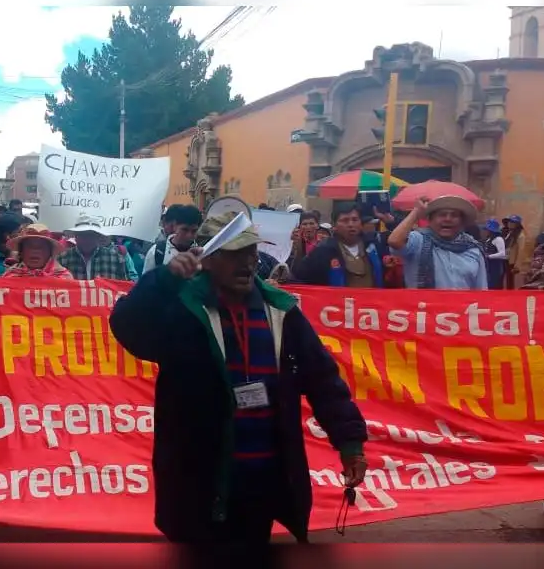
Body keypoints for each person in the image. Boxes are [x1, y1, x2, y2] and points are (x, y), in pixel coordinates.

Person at [108, 212, 367, 544]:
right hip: (199, 481)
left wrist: (350, 444)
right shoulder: (183, 309)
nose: (249, 262)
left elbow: (324, 381)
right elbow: (128, 327)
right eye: (235, 254)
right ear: (209, 258)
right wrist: (164, 280)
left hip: (264, 480)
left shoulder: (281, 311)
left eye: (252, 252)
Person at [387, 196, 487, 290]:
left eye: (454, 215)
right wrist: (416, 212)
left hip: (464, 308)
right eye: (442, 215)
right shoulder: (418, 240)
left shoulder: (473, 249)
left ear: (462, 222)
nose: (448, 219)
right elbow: (394, 241)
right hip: (423, 307)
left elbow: (481, 290)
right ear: (430, 220)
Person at [293, 205, 386, 288]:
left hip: (371, 305)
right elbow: (300, 275)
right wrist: (298, 247)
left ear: (361, 223)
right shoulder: (324, 250)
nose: (351, 224)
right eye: (345, 220)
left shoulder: (374, 246)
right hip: (338, 305)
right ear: (334, 226)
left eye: (355, 220)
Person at [57, 214, 132, 281]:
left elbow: (125, 290)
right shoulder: (62, 260)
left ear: (98, 236)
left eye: (91, 235)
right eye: (83, 234)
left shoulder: (116, 260)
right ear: (75, 236)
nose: (87, 239)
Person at [144, 205, 202, 274]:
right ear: (174, 226)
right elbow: (145, 282)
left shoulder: (202, 254)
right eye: (184, 230)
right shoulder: (156, 252)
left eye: (194, 231)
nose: (189, 235)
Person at [3, 224, 73, 279]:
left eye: (41, 247)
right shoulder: (9, 276)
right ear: (21, 252)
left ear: (50, 253)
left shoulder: (64, 278)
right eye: (29, 246)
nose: (35, 250)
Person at [482, 219, 508, 290]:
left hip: (496, 265)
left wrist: (489, 256)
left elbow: (502, 254)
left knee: (495, 284)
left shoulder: (498, 239)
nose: (486, 231)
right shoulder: (489, 239)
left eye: (487, 229)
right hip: (489, 265)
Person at [504, 215, 527, 289]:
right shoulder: (509, 233)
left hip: (512, 261)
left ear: (517, 224)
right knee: (507, 279)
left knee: (510, 281)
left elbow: (521, 251)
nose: (510, 223)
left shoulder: (520, 235)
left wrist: (517, 265)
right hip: (506, 258)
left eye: (512, 222)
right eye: (509, 221)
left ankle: (510, 296)